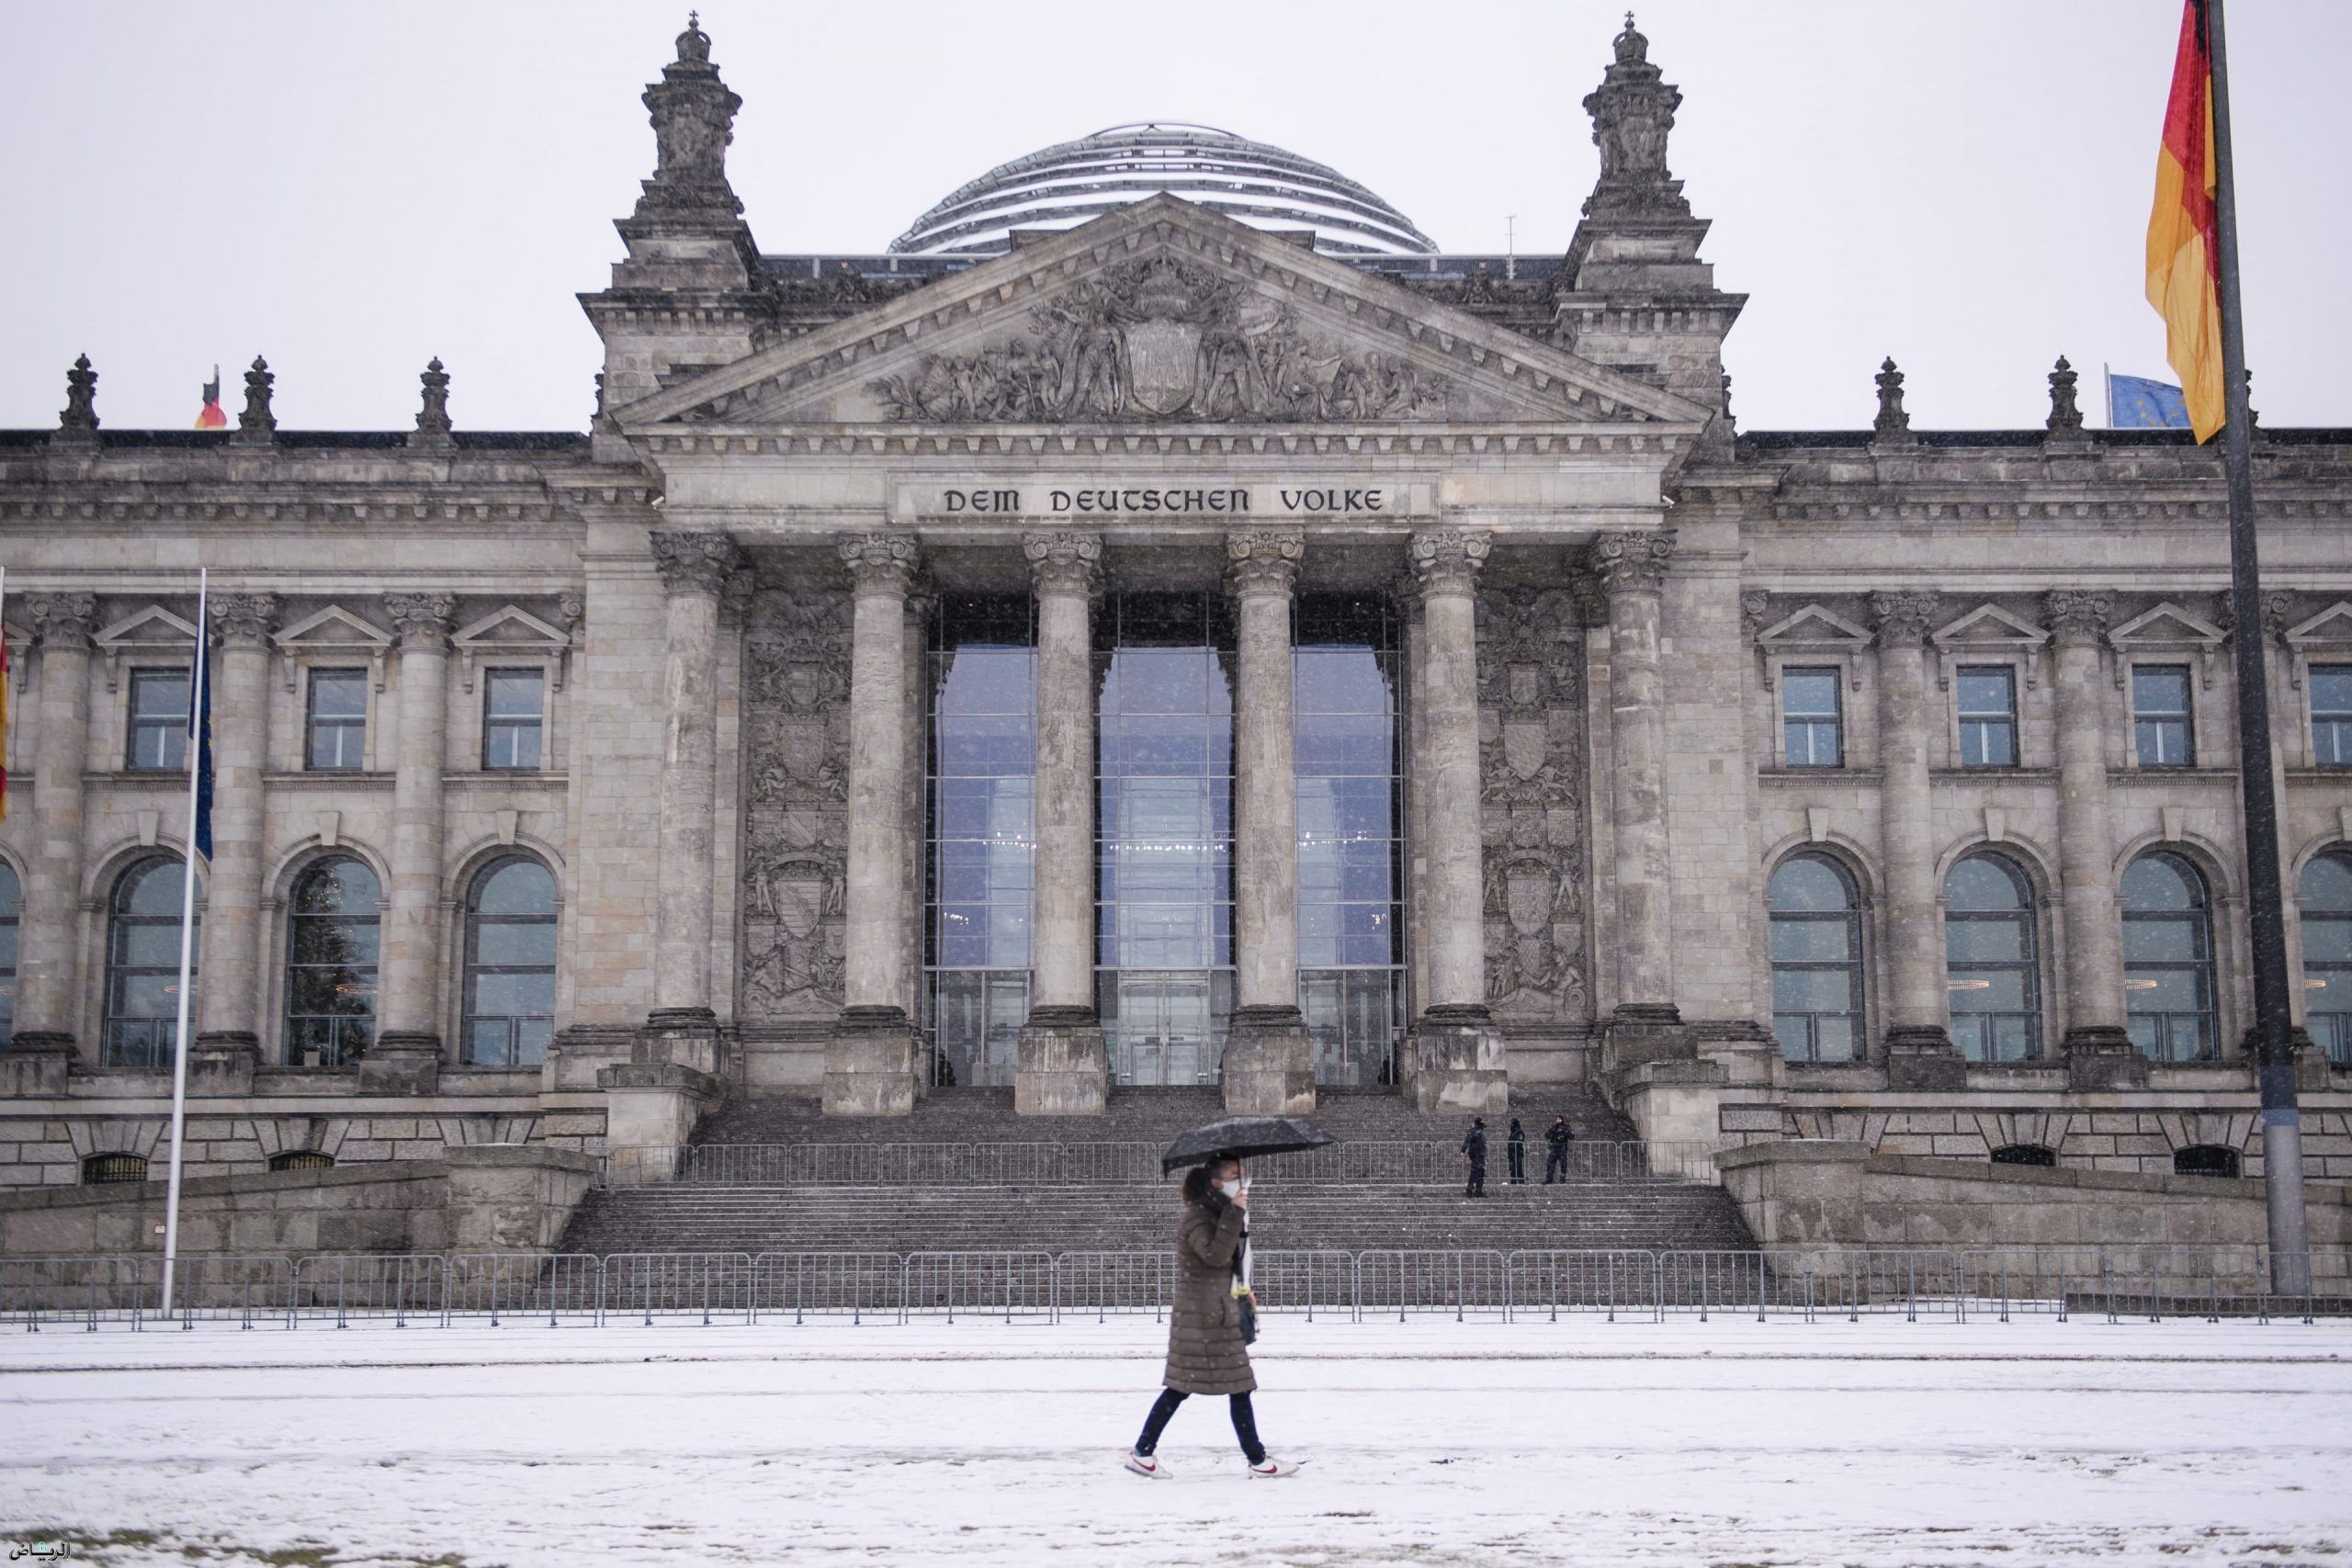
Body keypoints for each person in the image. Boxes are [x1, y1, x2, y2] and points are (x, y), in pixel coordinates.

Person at [1125, 1157, 1300, 1479]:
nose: (1243, 1181)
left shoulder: (1214, 1212)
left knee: (1210, 1386)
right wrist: (1235, 1212)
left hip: (1214, 1311)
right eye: (1235, 1176)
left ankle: (1144, 1451)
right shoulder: (1198, 1216)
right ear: (1216, 1183)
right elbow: (1213, 1255)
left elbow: (1225, 1260)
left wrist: (1243, 1287)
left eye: (1243, 1175)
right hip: (1204, 1317)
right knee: (1226, 1385)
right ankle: (1257, 1460)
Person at [1544, 1113, 1574, 1184]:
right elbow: (1547, 1135)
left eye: (1559, 1119)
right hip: (1554, 1147)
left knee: (1563, 1163)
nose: (1558, 1120)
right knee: (1550, 1163)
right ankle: (1549, 1179)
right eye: (1557, 1119)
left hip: (1562, 1147)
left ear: (1562, 1120)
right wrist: (1552, 1134)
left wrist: (1564, 1133)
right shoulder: (1554, 1127)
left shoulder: (1566, 1127)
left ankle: (1562, 1179)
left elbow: (1571, 1136)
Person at [1462, 1118, 1487, 1197]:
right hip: (1476, 1155)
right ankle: (1470, 1189)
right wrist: (1463, 1150)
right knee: (1475, 1173)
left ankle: (1478, 1190)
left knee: (1480, 1173)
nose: (1483, 1126)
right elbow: (1467, 1140)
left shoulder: (1479, 1131)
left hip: (1480, 1155)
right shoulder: (1474, 1131)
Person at [1506, 1118, 1527, 1185]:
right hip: (1512, 1153)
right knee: (1513, 1169)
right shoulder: (1513, 1133)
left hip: (1517, 1153)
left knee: (1518, 1168)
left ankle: (1521, 1183)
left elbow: (1519, 1141)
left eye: (1512, 1123)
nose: (1511, 1125)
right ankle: (1513, 1182)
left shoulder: (1519, 1131)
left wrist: (1513, 1145)